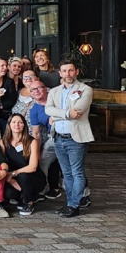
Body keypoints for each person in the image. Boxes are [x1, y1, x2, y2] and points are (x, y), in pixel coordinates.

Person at [45, 60, 94, 218]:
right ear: (60, 73)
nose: (68, 74)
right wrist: (66, 114)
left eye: (71, 70)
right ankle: (70, 203)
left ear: (76, 72)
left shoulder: (85, 89)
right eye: (64, 71)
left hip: (76, 138)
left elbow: (78, 111)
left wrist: (56, 115)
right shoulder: (54, 91)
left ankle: (74, 204)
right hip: (58, 137)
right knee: (66, 173)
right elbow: (48, 109)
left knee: (77, 172)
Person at [0, 114, 46, 216]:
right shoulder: (3, 142)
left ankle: (28, 202)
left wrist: (13, 173)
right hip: (14, 178)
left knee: (23, 176)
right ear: (9, 125)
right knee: (9, 193)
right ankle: (23, 197)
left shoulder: (32, 141)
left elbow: (33, 167)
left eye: (20, 122)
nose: (17, 125)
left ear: (24, 125)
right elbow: (2, 162)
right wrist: (10, 178)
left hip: (33, 177)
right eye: (14, 122)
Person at [28, 80, 62, 200]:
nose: (36, 91)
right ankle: (41, 189)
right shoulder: (34, 110)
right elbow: (36, 133)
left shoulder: (57, 100)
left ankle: (83, 195)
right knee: (41, 160)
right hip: (53, 138)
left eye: (39, 88)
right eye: (33, 90)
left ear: (45, 89)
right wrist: (35, 152)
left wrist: (57, 118)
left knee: (71, 166)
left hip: (69, 136)